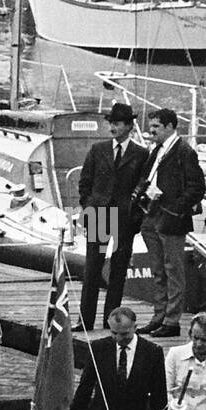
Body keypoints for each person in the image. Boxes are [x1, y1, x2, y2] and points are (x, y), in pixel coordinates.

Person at [75, 102, 148, 332]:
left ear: (129, 126)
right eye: (111, 123)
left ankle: (111, 321)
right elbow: (85, 182)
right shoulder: (98, 149)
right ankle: (84, 321)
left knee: (117, 272)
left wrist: (135, 217)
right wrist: (89, 207)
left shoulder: (141, 154)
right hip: (99, 215)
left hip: (124, 220)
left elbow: (143, 187)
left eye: (117, 123)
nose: (112, 128)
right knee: (92, 270)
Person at [135, 107, 206, 338]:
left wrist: (176, 209)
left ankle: (172, 320)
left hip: (171, 218)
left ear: (169, 127)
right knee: (158, 270)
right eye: (151, 126)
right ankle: (159, 316)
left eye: (155, 127)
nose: (150, 130)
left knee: (173, 270)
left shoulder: (184, 151)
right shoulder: (157, 150)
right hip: (152, 215)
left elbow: (197, 187)